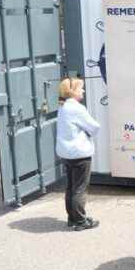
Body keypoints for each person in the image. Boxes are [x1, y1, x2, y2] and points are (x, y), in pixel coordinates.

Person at [56, 77, 100, 231]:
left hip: (66, 153)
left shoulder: (62, 106)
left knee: (71, 187)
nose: (83, 91)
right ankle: (80, 221)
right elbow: (94, 127)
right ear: (73, 91)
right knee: (80, 188)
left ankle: (72, 218)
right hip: (79, 154)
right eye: (81, 88)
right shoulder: (77, 108)